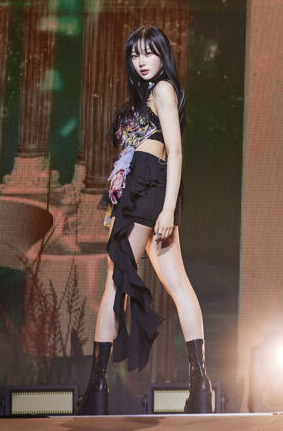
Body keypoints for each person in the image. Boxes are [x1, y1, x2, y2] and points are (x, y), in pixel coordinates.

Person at [76, 26, 212, 415]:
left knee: (115, 283)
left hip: (148, 189)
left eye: (149, 52)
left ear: (163, 55)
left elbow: (175, 151)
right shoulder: (148, 94)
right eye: (135, 54)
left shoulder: (163, 89)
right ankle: (200, 388)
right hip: (139, 189)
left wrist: (168, 209)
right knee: (178, 284)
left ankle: (96, 389)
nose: (141, 60)